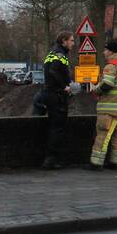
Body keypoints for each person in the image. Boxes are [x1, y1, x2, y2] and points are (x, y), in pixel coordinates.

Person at [85, 40, 117, 171]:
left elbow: (107, 84)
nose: (103, 52)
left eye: (105, 50)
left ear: (111, 51)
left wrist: (96, 90)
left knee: (103, 135)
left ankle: (96, 163)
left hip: (109, 109)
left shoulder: (111, 65)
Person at [41, 31, 76, 170]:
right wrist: (65, 87)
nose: (73, 43)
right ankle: (51, 159)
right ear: (64, 41)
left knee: (54, 127)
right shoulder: (60, 55)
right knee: (58, 128)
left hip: (50, 94)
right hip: (57, 95)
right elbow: (54, 72)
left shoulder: (51, 53)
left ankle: (52, 159)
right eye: (72, 41)